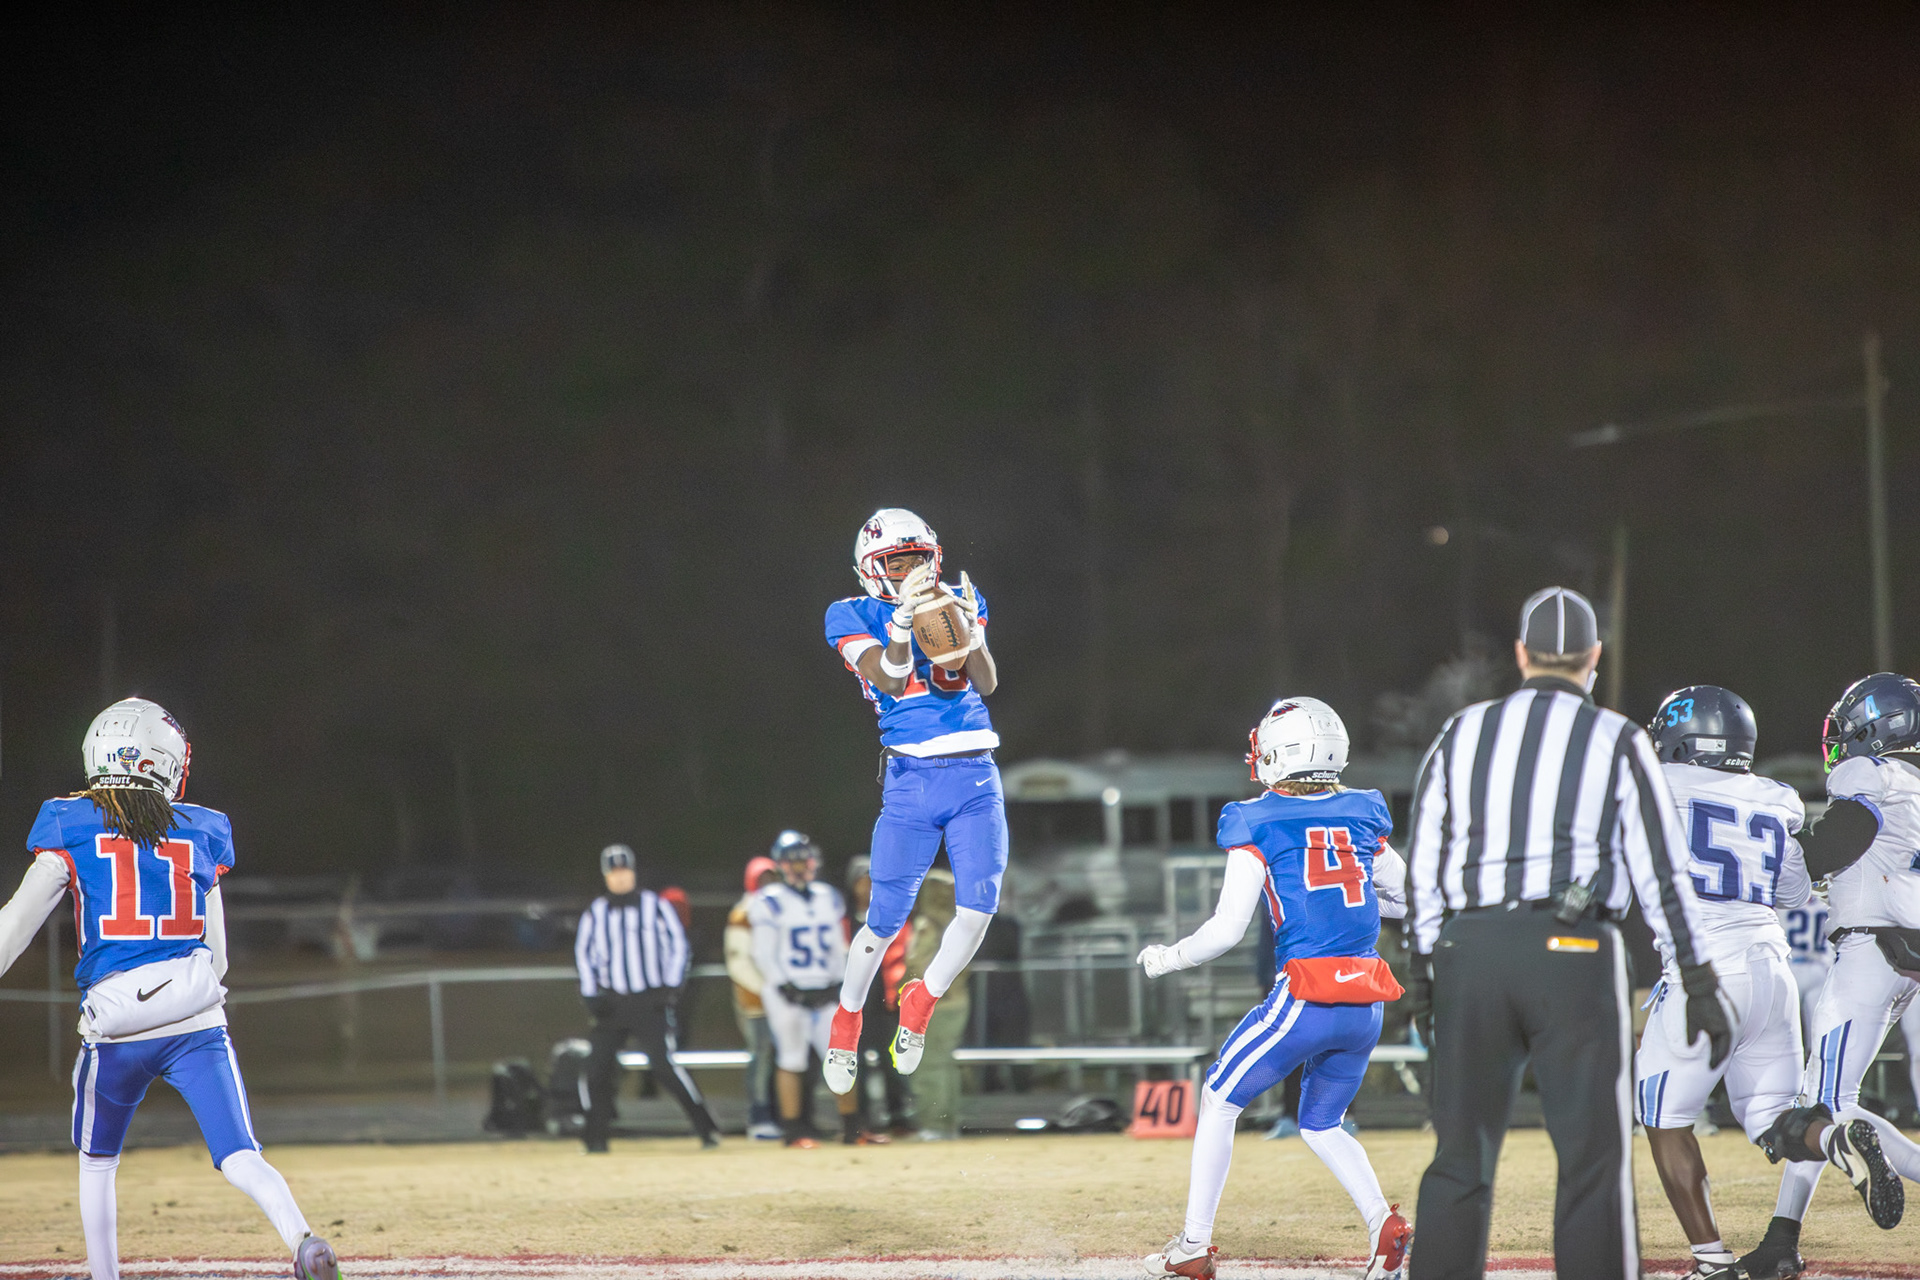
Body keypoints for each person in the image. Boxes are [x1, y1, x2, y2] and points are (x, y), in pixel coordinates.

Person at [1404, 587, 1730, 1280]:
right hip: (1574, 950)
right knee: (1592, 1164)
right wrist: (1699, 979)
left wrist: (1424, 969)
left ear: (1522, 655)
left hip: (1472, 949)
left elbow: (1424, 863)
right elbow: (1662, 872)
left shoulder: (1462, 733)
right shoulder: (1617, 737)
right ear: (1593, 657)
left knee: (1459, 1159)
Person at [0, 698, 339, 1280]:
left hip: (115, 1028)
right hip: (196, 1021)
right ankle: (302, 1238)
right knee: (241, 1155)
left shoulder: (68, 824)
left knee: (97, 1162)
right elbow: (219, 958)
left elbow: (13, 929)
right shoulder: (201, 830)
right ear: (161, 762)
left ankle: (105, 1274)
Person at [1138, 697, 1413, 1280]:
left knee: (1219, 1099)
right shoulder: (1362, 811)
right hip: (1366, 1000)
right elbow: (1405, 898)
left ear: (1279, 754)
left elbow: (1226, 930)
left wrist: (1167, 959)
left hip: (1307, 996)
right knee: (1322, 1123)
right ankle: (1381, 1224)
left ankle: (1193, 1246)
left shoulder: (1257, 818)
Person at [1631, 687, 1828, 1276]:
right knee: (1775, 1119)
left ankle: (1711, 1260)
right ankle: (1835, 1142)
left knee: (1663, 1115)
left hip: (1705, 972)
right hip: (1774, 972)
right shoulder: (1775, 800)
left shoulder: (1656, 784)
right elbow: (1795, 892)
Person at [1728, 673, 1920, 1278]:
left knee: (1829, 1107)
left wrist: (1786, 860)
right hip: (1910, 950)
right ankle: (1781, 1239)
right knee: (1820, 1102)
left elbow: (1842, 837)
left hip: (1873, 950)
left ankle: (1782, 1241)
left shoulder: (1869, 773)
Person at [820, 508, 1007, 1096]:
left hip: (975, 774)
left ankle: (921, 1001)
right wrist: (901, 623)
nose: (909, 572)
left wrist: (972, 632)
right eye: (896, 563)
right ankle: (847, 1021)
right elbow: (893, 679)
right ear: (871, 568)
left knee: (978, 911)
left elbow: (986, 682)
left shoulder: (959, 599)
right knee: (882, 920)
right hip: (910, 779)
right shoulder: (849, 614)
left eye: (917, 560)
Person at [574, 843, 719, 1151]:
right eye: (614, 872)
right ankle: (595, 1137)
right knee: (596, 1069)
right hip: (612, 1002)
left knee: (664, 1067)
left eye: (624, 871)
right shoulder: (596, 913)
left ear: (634, 873)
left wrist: (670, 987)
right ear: (605, 876)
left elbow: (679, 947)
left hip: (648, 1000)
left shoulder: (656, 906)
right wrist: (591, 994)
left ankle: (705, 1126)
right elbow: (584, 955)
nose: (620, 877)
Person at [748, 831, 884, 1146]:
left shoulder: (828, 896)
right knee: (791, 1059)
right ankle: (793, 1130)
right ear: (781, 865)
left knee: (842, 1056)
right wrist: (785, 986)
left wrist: (839, 982)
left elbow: (838, 947)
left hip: (825, 989)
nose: (799, 867)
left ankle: (853, 1128)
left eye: (803, 860)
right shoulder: (768, 901)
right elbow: (763, 953)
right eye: (792, 861)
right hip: (787, 992)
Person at [845, 854, 913, 1132]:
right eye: (861, 881)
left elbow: (903, 957)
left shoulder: (892, 917)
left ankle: (899, 1115)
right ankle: (861, 1119)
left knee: (891, 1058)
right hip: (857, 1000)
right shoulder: (843, 920)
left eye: (871, 881)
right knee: (855, 1059)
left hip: (886, 999)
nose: (867, 887)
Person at [903, 868, 970, 1141]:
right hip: (958, 1001)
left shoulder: (928, 925)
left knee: (930, 1065)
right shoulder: (961, 924)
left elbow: (917, 964)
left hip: (934, 1005)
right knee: (946, 1064)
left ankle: (934, 1125)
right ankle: (948, 1123)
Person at [726, 854, 783, 1140]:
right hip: (756, 1000)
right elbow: (738, 963)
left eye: (771, 878)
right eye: (762, 879)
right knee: (760, 1056)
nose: (767, 884)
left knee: (784, 1057)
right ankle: (759, 1116)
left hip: (784, 997)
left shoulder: (783, 908)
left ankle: (782, 1113)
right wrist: (768, 989)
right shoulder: (743, 914)